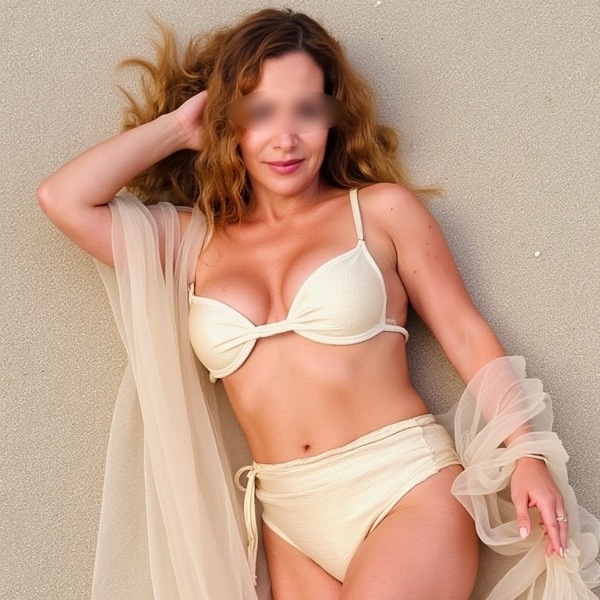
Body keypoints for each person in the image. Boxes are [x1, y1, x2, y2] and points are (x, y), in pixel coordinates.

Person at [37, 8, 599, 600]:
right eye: (260, 112)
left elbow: (463, 332)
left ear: (332, 118)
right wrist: (179, 128)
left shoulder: (380, 212)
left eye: (305, 111)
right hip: (288, 520)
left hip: (403, 488)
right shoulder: (193, 243)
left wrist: (526, 452)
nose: (285, 138)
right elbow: (63, 199)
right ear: (228, 120)